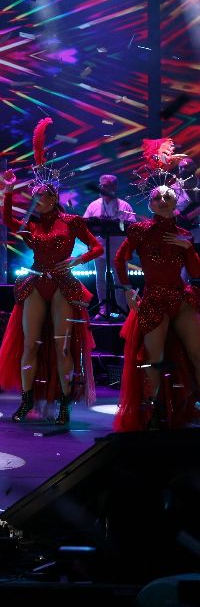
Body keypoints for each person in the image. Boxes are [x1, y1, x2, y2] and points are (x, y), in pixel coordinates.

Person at [0, 118, 102, 425]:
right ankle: (26, 400)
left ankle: (65, 403)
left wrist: (77, 261)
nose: (37, 201)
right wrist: (8, 192)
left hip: (63, 283)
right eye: (34, 197)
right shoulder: (32, 224)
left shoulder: (71, 221)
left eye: (41, 196)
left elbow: (97, 247)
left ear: (53, 197)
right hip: (36, 281)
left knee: (61, 346)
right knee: (29, 344)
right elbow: (8, 222)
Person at [114, 141, 200, 431]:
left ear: (176, 203)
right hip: (153, 299)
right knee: (155, 357)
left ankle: (193, 404)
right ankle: (153, 410)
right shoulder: (141, 230)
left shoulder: (184, 234)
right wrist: (127, 290)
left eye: (168, 197)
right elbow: (120, 259)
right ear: (150, 204)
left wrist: (188, 248)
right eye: (158, 198)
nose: (163, 201)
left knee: (197, 352)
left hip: (181, 297)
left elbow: (195, 272)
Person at [82, 174, 137, 319]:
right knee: (100, 280)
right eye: (102, 185)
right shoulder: (93, 205)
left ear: (115, 187)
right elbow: (85, 226)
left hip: (119, 251)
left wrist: (119, 225)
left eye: (107, 186)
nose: (103, 188)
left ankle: (121, 310)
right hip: (99, 249)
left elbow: (132, 226)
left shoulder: (124, 206)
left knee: (120, 281)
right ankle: (103, 309)